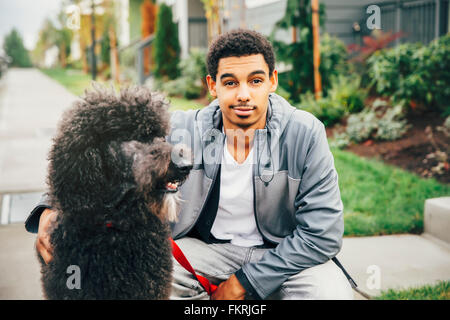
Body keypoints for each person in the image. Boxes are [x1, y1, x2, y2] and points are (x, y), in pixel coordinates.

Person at [26, 29, 354, 300]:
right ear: (212, 85)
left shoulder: (305, 133)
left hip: (286, 254)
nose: (243, 95)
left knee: (330, 295)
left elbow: (322, 234)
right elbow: (100, 149)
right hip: (203, 250)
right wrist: (50, 207)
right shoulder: (182, 129)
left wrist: (245, 283)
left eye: (255, 81)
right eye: (230, 82)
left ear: (272, 81)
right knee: (146, 282)